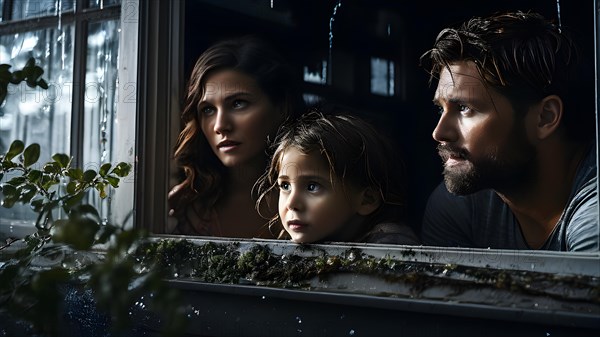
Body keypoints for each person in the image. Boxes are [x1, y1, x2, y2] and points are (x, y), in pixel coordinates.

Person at [419, 11, 598, 251]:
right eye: (441, 109)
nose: (439, 133)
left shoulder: (593, 211)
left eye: (464, 108)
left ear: (544, 118)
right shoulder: (458, 209)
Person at [168, 35, 305, 238]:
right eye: (208, 110)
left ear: (282, 107)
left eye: (238, 103)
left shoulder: (315, 200)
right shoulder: (184, 206)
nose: (220, 126)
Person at [255, 109, 420, 245]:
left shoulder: (391, 246)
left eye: (312, 186)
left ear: (367, 200)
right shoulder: (314, 237)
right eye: (285, 186)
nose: (291, 203)